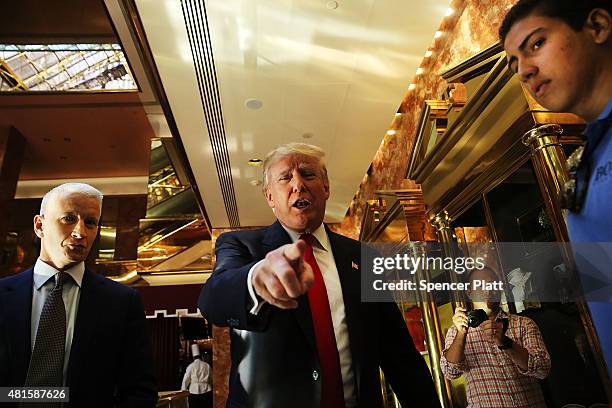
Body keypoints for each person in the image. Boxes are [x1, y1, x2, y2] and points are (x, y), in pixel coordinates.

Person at [199, 143, 440, 407]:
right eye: (285, 178)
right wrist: (256, 279)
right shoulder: (241, 246)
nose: (298, 184)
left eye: (308, 174)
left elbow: (397, 352)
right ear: (270, 197)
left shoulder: (363, 257)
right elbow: (214, 300)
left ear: (326, 188)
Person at [500, 0, 612, 377]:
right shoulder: (584, 159)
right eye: (513, 63)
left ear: (597, 25)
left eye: (536, 44)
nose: (524, 71)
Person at [0, 183, 157, 407]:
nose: (80, 232)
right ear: (39, 225)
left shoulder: (121, 302)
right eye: (68, 219)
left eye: (90, 222)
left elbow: (139, 390)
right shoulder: (3, 297)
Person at [440, 266, 551, 408]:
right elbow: (450, 373)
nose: (488, 290)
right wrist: (461, 334)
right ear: (469, 292)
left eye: (492, 284)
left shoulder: (523, 324)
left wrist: (505, 342)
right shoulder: (456, 331)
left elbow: (543, 368)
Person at [181, 344, 212, 408]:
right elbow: (211, 379)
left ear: (193, 357)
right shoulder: (207, 365)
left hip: (193, 392)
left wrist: (183, 390)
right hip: (206, 391)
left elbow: (186, 380)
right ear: (200, 356)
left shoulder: (190, 366)